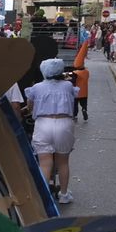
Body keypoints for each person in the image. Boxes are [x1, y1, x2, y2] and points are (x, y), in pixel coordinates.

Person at [25, 58, 78, 204]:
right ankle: (64, 194)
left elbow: (30, 105)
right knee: (63, 162)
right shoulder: (68, 86)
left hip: (43, 124)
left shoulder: (36, 87)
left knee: (44, 162)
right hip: (64, 123)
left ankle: (44, 196)